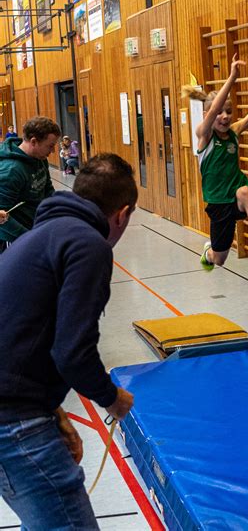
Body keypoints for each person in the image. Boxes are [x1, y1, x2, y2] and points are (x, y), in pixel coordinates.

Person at [0, 153, 137, 529]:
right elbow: (72, 352)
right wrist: (112, 397)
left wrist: (54, 411)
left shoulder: (37, 237)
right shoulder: (88, 245)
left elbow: (21, 336)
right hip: (11, 422)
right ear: (122, 214)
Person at [182, 54, 248, 271]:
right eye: (220, 112)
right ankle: (209, 252)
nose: (224, 116)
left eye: (229, 112)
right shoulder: (204, 135)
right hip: (218, 203)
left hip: (235, 194)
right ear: (207, 115)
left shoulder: (233, 132)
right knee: (219, 259)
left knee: (245, 192)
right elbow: (213, 110)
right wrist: (232, 78)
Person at [0, 116, 60, 250]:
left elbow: (47, 189)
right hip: (16, 239)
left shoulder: (39, 158)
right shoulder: (11, 171)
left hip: (35, 229)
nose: (52, 151)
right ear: (34, 141)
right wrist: (28, 238)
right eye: (50, 146)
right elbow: (2, 220)